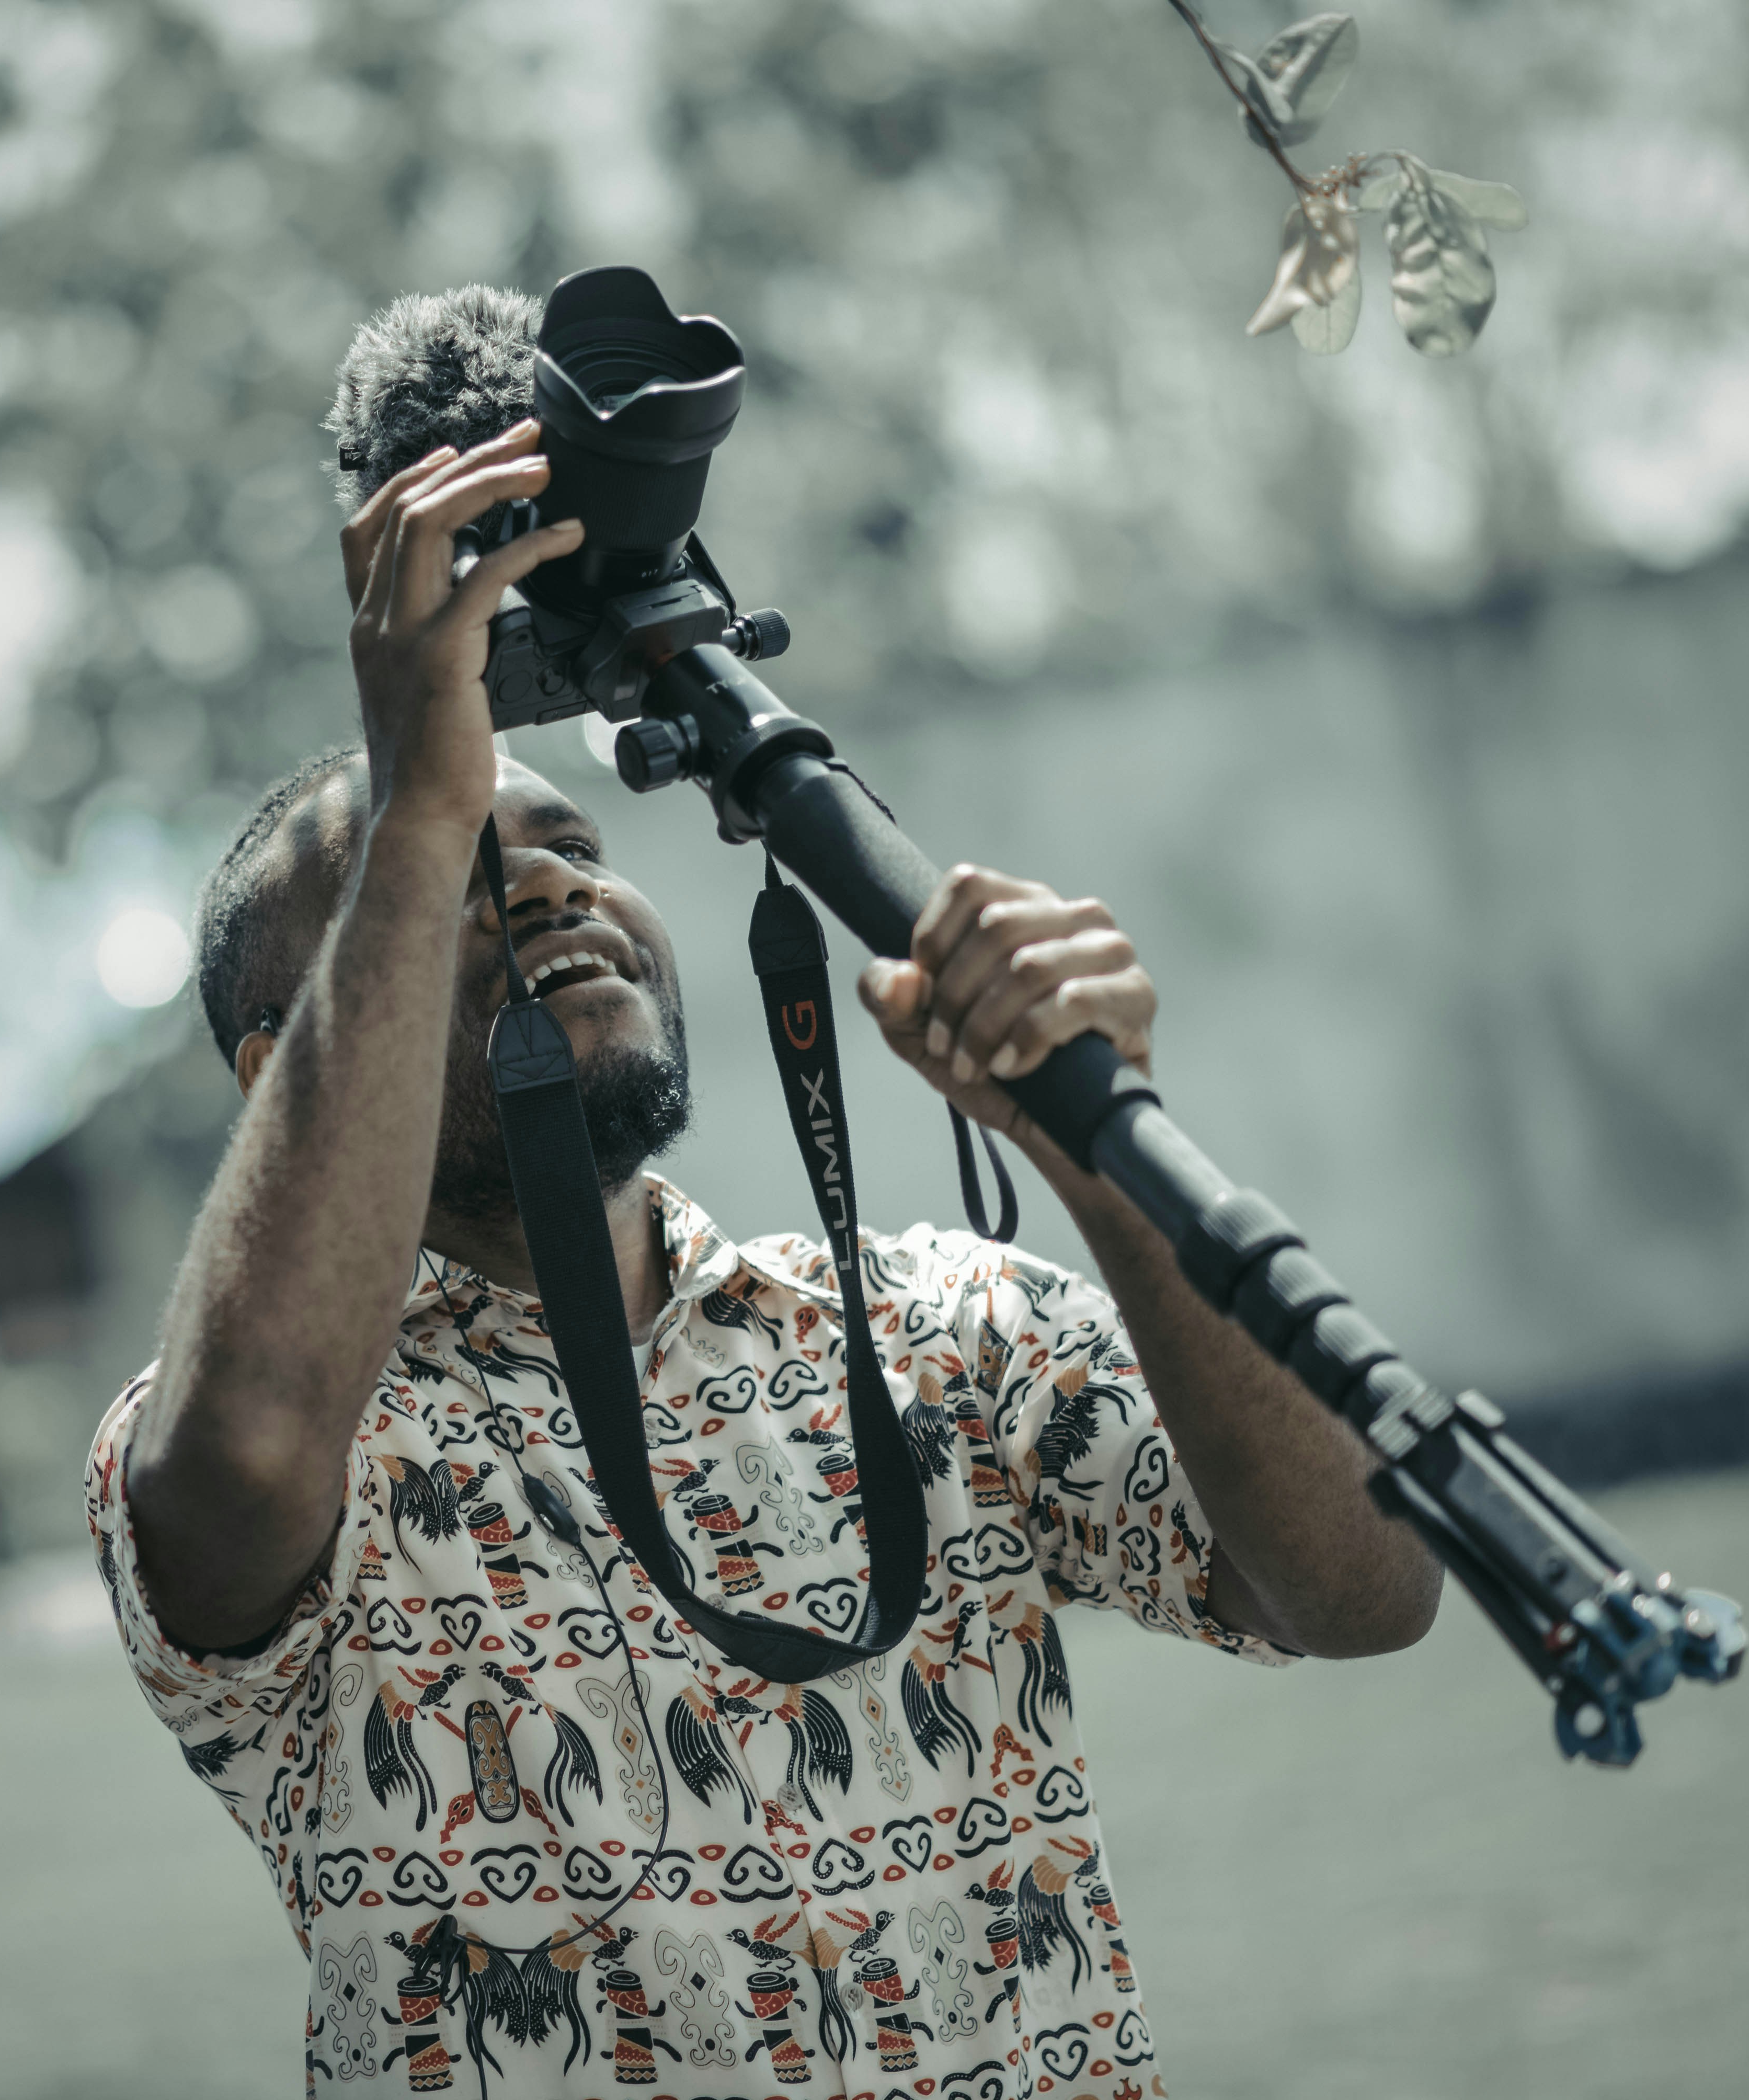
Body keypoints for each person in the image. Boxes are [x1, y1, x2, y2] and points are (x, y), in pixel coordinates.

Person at [88, 387, 1439, 2096]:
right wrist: (414, 810)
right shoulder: (237, 1443)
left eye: (569, 845)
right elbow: (254, 1444)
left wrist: (1102, 1164)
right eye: (440, 890)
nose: (547, 887)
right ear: (273, 1068)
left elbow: (1362, 1592)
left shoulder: (939, 1318)